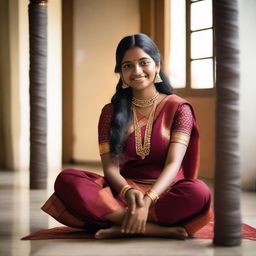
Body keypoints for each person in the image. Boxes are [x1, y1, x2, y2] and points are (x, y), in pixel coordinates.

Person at [42, 33, 213, 240]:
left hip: (165, 193)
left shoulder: (178, 108)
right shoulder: (110, 112)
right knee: (67, 179)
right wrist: (128, 192)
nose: (137, 71)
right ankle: (153, 228)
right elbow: (110, 169)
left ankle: (119, 222)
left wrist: (148, 198)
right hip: (123, 192)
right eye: (127, 66)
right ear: (120, 73)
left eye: (144, 63)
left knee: (199, 192)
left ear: (157, 66)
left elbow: (173, 164)